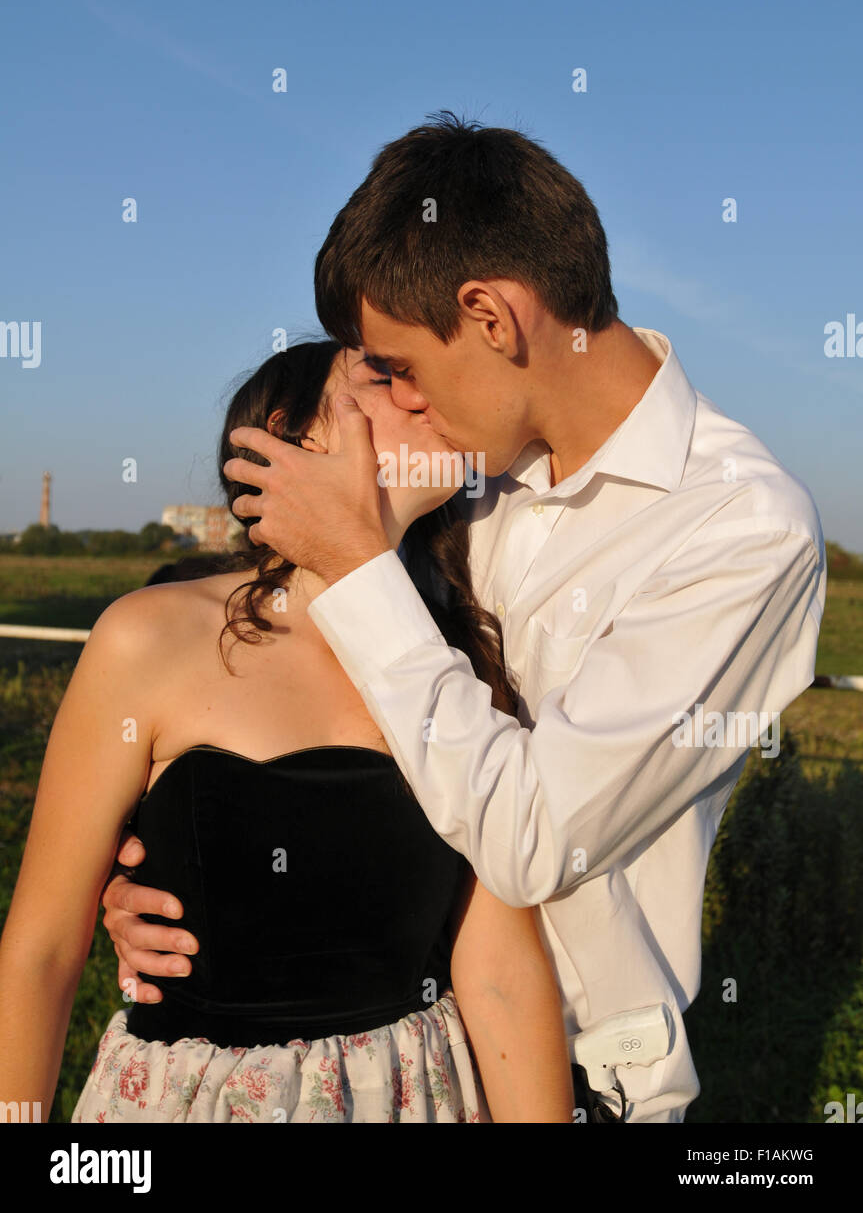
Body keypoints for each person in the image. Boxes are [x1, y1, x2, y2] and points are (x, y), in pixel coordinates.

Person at [103, 112, 826, 1122]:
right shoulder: (462, 477)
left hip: (571, 1076)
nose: (400, 399)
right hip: (377, 1048)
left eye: (398, 364)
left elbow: (530, 837)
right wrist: (179, 871)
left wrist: (357, 561)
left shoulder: (737, 531)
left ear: (489, 316)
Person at [0, 339, 576, 1124]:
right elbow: (40, 953)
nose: (421, 394)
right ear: (289, 435)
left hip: (411, 1098)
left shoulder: (463, 667)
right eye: (385, 377)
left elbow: (501, 972)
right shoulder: (147, 636)